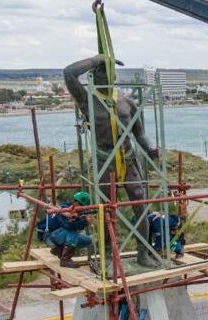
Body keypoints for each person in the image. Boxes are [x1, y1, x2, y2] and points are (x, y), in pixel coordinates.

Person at [64, 54, 161, 268]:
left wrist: (151, 149)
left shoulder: (127, 102)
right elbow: (68, 73)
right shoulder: (87, 99)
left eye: (109, 73)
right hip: (104, 161)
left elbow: (140, 134)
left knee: (141, 205)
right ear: (93, 75)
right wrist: (98, 59)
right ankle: (107, 255)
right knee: (106, 210)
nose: (106, 77)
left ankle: (143, 253)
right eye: (101, 73)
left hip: (128, 159)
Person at [45, 191, 94, 268]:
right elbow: (68, 226)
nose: (82, 209)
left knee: (88, 240)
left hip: (60, 235)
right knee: (73, 232)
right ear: (76, 203)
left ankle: (61, 251)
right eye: (82, 205)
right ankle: (65, 259)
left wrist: (85, 220)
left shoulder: (76, 211)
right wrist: (84, 222)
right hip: (51, 237)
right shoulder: (64, 208)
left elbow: (77, 226)